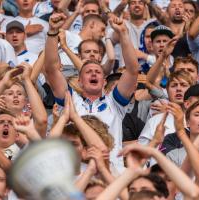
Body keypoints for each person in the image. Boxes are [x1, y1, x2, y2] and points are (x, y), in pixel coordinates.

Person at [45, 13, 139, 172]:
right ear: (80, 81)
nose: (94, 74)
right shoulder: (70, 100)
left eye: (98, 71)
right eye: (88, 72)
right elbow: (51, 70)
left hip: (110, 171)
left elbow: (132, 70)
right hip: (74, 171)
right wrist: (53, 32)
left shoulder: (114, 102)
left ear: (104, 81)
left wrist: (123, 34)